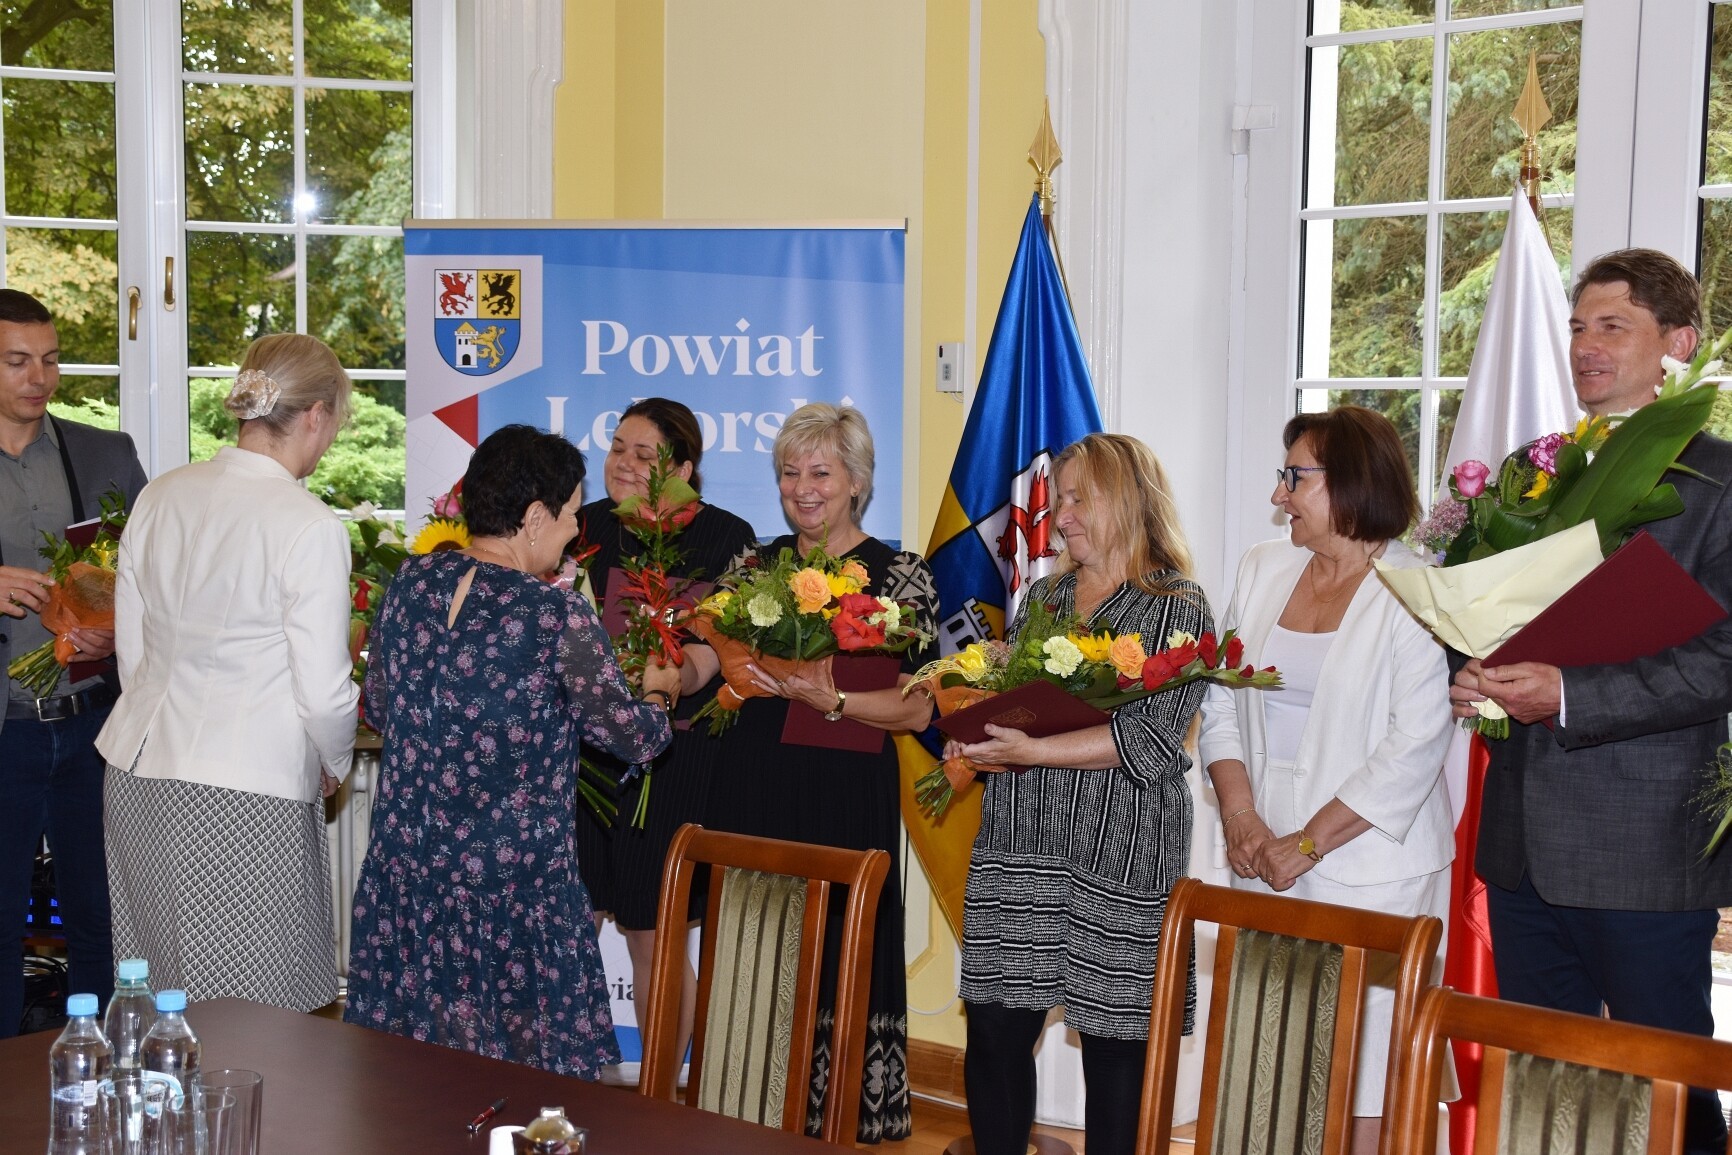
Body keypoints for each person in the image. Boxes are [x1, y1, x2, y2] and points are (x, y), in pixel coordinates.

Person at [1451, 248, 1732, 1155]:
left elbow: (1724, 658)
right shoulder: (1538, 470)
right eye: (1578, 326)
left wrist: (1571, 694)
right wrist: (1474, 671)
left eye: (1614, 326)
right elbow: (1495, 610)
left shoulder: (1719, 480)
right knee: (1545, 1100)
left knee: (1669, 1099)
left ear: (1677, 344)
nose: (1586, 345)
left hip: (1643, 853)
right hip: (1523, 847)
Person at [345, 424, 679, 1077]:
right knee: (522, 1087)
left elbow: (379, 708)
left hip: (406, 878)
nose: (575, 530)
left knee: (410, 1081)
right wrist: (659, 694)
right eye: (572, 513)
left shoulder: (410, 583)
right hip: (512, 895)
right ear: (533, 518)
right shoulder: (552, 615)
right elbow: (631, 737)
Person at [1199, 406, 1455, 1155]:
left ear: (1350, 482)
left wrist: (1306, 843)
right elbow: (1219, 699)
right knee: (1274, 1066)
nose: (1278, 495)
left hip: (1372, 867)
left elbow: (1415, 744)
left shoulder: (1415, 585)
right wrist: (1241, 818)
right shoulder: (1263, 567)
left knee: (1366, 1080)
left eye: (1294, 477)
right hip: (1262, 856)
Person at [954, 433, 1209, 1155]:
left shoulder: (1176, 607)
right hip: (1019, 845)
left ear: (1126, 499)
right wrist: (979, 733)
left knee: (1115, 1049)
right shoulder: (1045, 597)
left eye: (1076, 498)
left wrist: (1032, 750)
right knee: (995, 1030)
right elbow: (1021, 706)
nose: (1059, 516)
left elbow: (1150, 739)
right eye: (1058, 499)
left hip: (1118, 854)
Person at [97, 333, 357, 1011]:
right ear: (316, 415)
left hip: (138, 773)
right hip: (243, 788)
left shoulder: (162, 494)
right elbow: (324, 690)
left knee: (160, 994)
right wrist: (335, 761)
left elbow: (133, 652)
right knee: (251, 1010)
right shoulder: (307, 524)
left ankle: (162, 1088)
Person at [707, 402, 935, 1143]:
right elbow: (711, 659)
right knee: (758, 947)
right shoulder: (752, 566)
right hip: (753, 786)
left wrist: (834, 699)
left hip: (846, 797)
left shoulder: (902, 577)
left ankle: (838, 1118)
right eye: (789, 472)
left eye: (820, 472)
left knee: (844, 948)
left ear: (857, 481)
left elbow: (920, 709)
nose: (802, 488)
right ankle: (750, 1105)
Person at [574, 398, 755, 1062]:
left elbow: (730, 648)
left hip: (675, 757)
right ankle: (567, 1083)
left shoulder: (727, 536)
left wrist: (677, 672)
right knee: (572, 923)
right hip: (587, 757)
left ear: (682, 469)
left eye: (643, 455)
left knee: (654, 931)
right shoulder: (583, 527)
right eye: (617, 447)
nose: (623, 463)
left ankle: (660, 1094)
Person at [0, 288, 146, 1035]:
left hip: (94, 727)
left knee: (105, 921)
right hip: (6, 731)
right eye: (18, 361)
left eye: (51, 359)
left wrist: (118, 633)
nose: (40, 377)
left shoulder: (106, 454)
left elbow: (153, 576)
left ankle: (103, 1075)